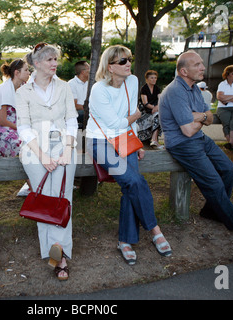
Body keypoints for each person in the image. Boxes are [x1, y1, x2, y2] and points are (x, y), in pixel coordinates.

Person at [159, 50, 233, 242]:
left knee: (228, 169)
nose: (203, 67)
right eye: (197, 65)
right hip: (182, 144)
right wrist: (200, 117)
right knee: (213, 183)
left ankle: (211, 211)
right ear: (184, 71)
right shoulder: (175, 91)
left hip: (199, 138)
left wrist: (197, 116)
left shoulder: (194, 89)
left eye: (202, 63)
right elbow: (187, 130)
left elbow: (209, 117)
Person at [86, 45, 172, 266]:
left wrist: (137, 142)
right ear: (110, 67)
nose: (128, 64)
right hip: (101, 140)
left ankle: (125, 240)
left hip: (124, 137)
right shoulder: (98, 89)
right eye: (122, 61)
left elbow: (127, 117)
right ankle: (154, 229)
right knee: (133, 180)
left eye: (129, 59)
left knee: (129, 186)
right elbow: (116, 122)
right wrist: (133, 117)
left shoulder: (132, 81)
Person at [15, 43, 78, 281]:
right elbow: (23, 127)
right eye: (50, 60)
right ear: (37, 63)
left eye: (55, 59)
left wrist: (68, 150)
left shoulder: (64, 87)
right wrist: (43, 156)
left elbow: (72, 121)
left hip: (64, 145)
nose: (55, 63)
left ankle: (60, 254)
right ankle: (53, 253)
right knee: (45, 200)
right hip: (34, 149)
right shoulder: (23, 92)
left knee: (63, 199)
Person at [0, 59, 32, 196]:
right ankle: (35, 187)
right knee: (21, 145)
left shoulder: (23, 86)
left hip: (16, 123)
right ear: (17, 73)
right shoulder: (6, 88)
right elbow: (2, 120)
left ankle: (39, 182)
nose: (29, 73)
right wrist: (21, 128)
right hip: (0, 128)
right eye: (26, 70)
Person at [136, 70, 164, 149]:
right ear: (147, 79)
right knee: (157, 115)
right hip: (145, 111)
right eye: (152, 78)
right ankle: (154, 140)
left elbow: (160, 99)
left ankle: (154, 139)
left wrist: (157, 107)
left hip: (154, 110)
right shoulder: (144, 89)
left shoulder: (157, 88)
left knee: (159, 115)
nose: (154, 80)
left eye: (155, 78)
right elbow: (145, 103)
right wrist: (154, 107)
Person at [68, 61, 90, 129]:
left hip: (88, 111)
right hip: (77, 113)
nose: (91, 70)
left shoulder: (90, 83)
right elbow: (74, 105)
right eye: (89, 68)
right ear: (83, 72)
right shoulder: (71, 84)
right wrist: (89, 108)